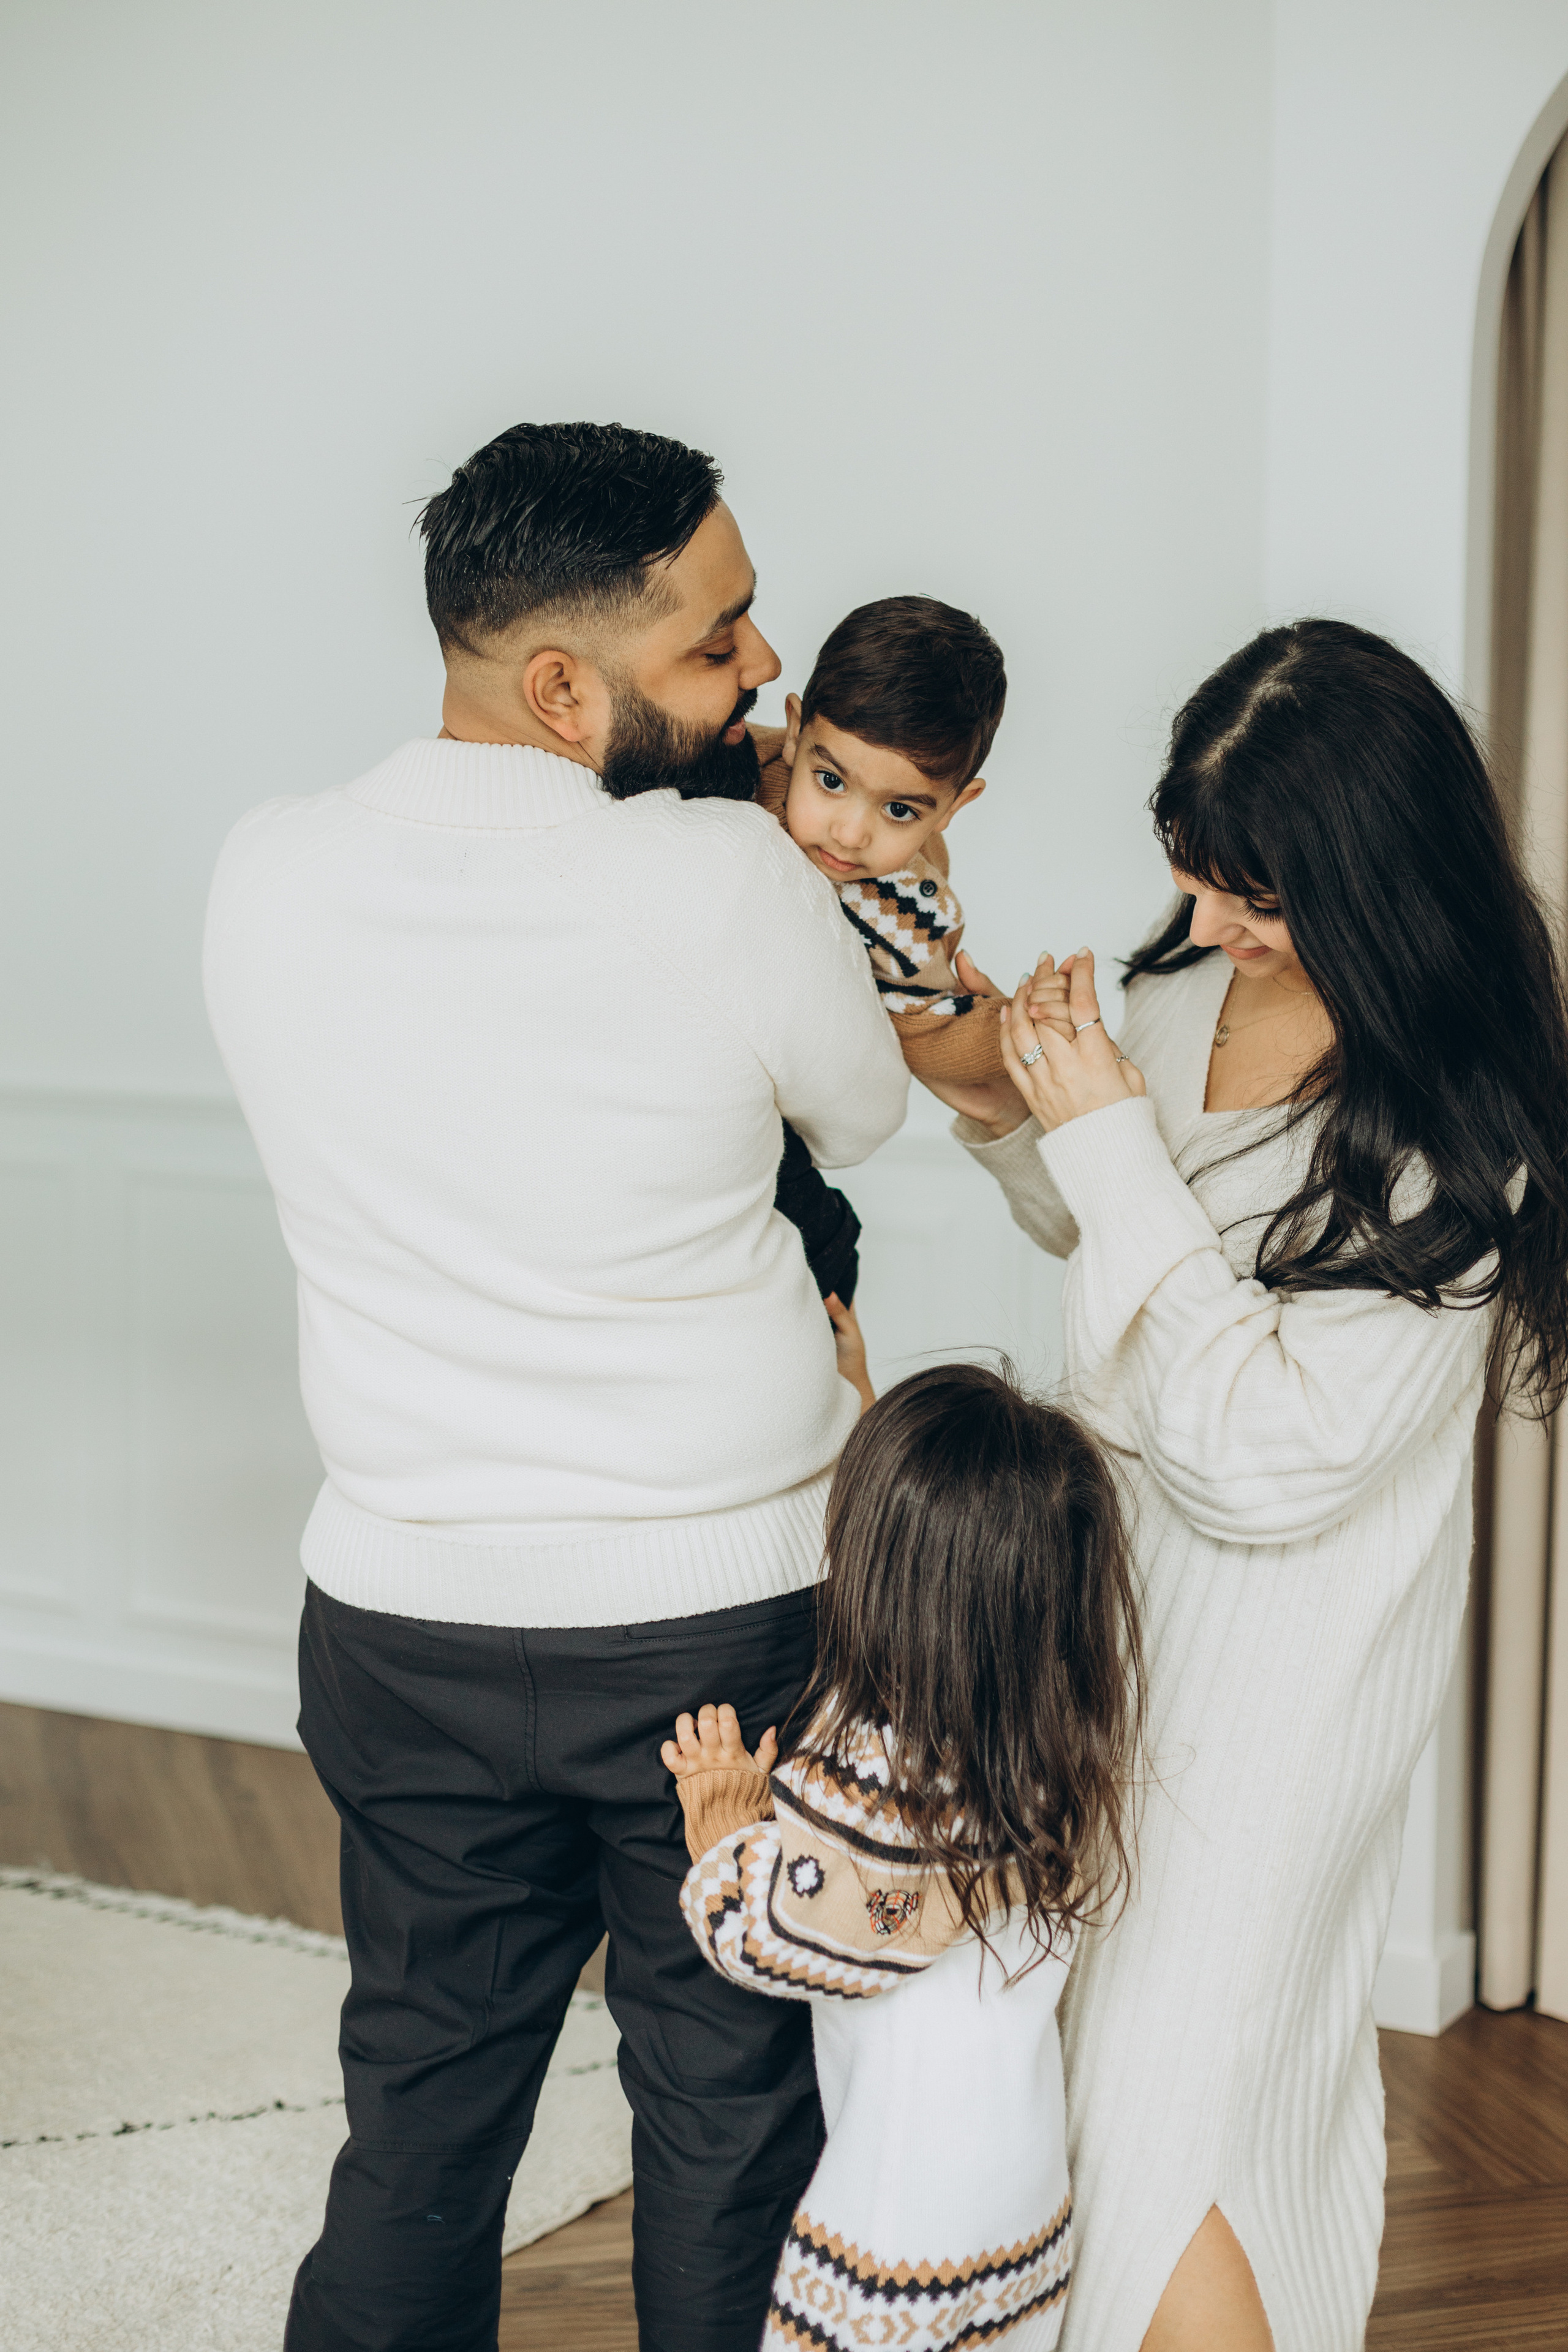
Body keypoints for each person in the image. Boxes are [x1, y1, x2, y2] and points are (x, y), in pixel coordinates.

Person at [202, 420, 909, 2352]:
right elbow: (861, 1112)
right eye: (720, 637)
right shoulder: (717, 879)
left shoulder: (267, 870)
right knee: (724, 2114)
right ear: (557, 684)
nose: (767, 667)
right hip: (719, 1619)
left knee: (419, 2115)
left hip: (403, 1615)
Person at [927, 617, 1568, 2352]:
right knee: (1077, 2081)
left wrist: (1104, 1136)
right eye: (1195, 880)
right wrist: (999, 1085)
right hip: (1101, 1628)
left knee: (1181, 2103)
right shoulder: (1194, 984)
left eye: (1254, 897)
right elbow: (1103, 1228)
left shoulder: (1461, 1128)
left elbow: (1263, 1461)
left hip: (1279, 1677)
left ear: (1373, 876)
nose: (1209, 927)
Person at [663, 1362, 1143, 2352]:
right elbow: (955, 1544)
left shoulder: (884, 1781)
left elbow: (779, 1937)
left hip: (897, 2233)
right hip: (1018, 2203)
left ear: (882, 1570)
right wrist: (856, 1395)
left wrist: (725, 1831)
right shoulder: (1045, 1739)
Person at [756, 595, 1008, 1306]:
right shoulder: (740, 777)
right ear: (795, 731)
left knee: (833, 1262)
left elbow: (929, 1022)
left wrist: (1002, 1033)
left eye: (900, 810)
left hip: (795, 1128)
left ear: (957, 804)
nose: (849, 833)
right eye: (830, 781)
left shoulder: (911, 910)